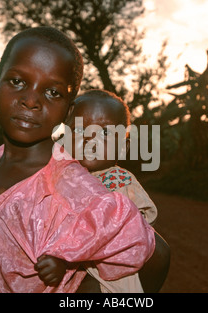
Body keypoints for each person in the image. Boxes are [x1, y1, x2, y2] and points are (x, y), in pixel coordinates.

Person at [0, 27, 155, 293]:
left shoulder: (72, 186)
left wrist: (71, 259)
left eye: (52, 92)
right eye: (17, 82)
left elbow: (149, 249)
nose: (30, 100)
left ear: (68, 111)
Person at [62, 89, 170, 293]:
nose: (90, 138)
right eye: (78, 129)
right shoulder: (56, 177)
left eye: (105, 132)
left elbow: (139, 228)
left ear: (123, 147)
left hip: (110, 278)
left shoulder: (119, 181)